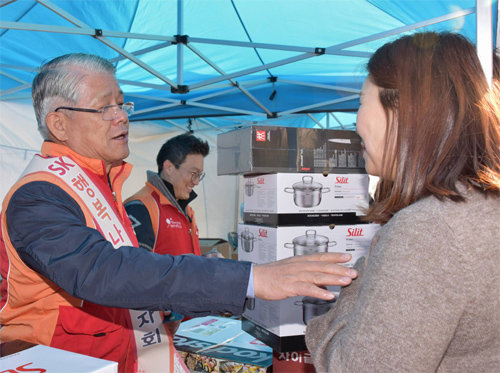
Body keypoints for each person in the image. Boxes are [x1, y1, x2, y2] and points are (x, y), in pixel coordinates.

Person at [0, 53, 358, 373]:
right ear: (59, 124)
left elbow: (136, 265)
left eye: (123, 105)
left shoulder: (102, 182)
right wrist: (250, 279)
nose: (121, 117)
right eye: (104, 108)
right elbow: (104, 271)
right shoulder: (39, 195)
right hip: (63, 360)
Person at [305, 32, 500, 372]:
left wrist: (341, 303)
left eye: (361, 103)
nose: (356, 123)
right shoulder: (482, 209)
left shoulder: (429, 230)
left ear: (404, 110)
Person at [124, 133, 208, 257]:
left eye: (199, 175)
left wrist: (205, 261)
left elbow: (185, 261)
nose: (196, 182)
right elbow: (135, 268)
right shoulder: (139, 208)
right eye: (193, 173)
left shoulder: (187, 211)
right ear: (169, 167)